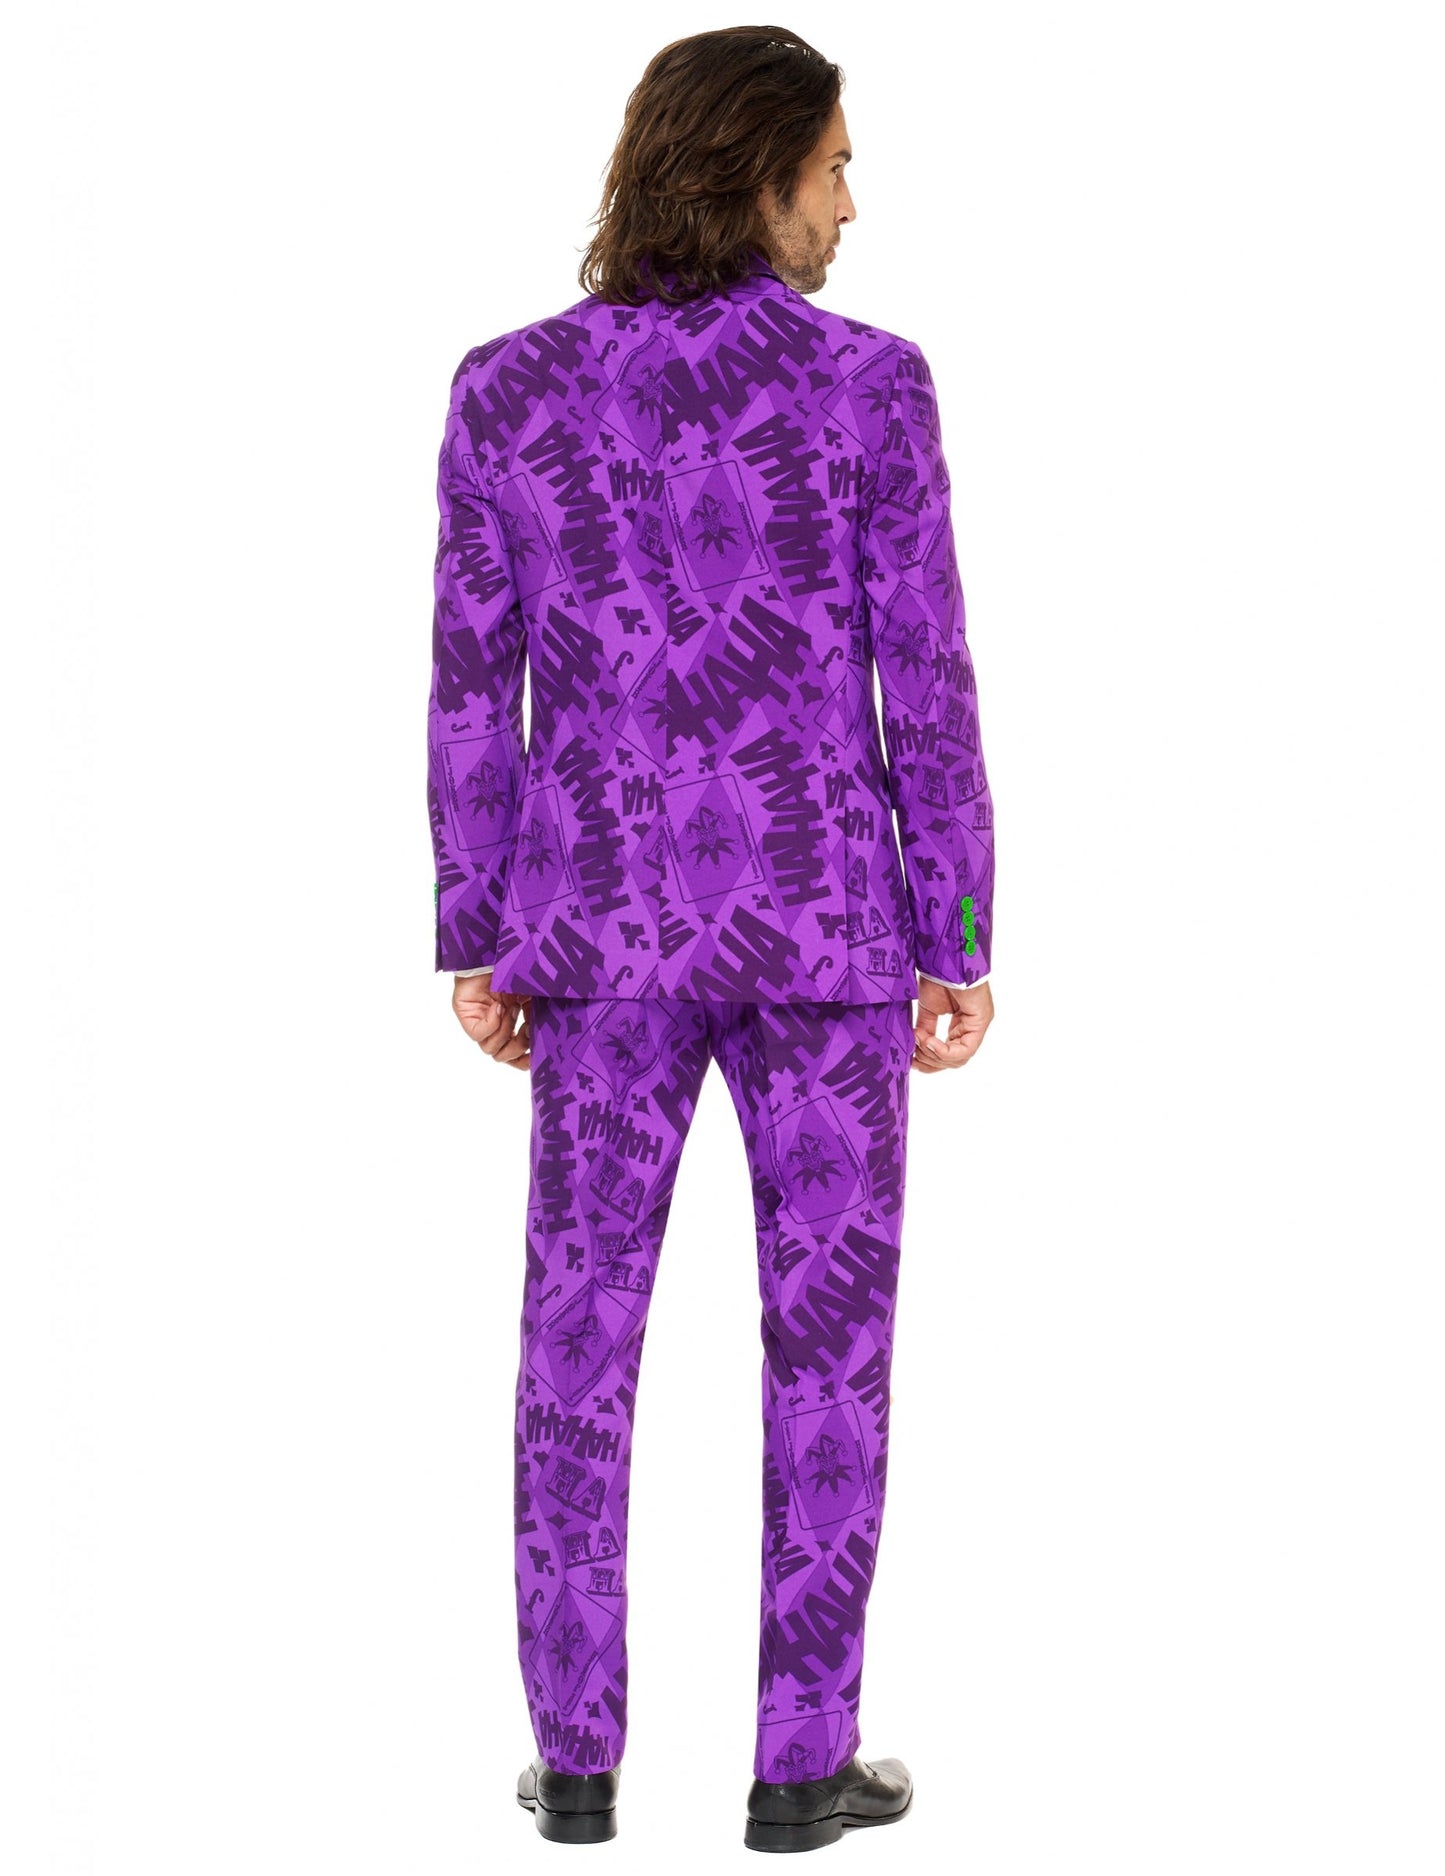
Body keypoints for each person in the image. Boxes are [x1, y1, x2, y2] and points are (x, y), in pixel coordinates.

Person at [425, 26, 996, 1852]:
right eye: (833, 167)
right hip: (825, 936)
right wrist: (956, 927)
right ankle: (796, 1768)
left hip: (594, 937)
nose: (850, 204)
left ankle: (578, 1764)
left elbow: (470, 685)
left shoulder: (508, 389)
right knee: (827, 1357)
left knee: (575, 1350)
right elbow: (926, 677)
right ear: (755, 171)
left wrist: (477, 930)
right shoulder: (868, 388)